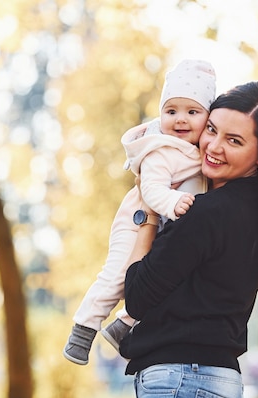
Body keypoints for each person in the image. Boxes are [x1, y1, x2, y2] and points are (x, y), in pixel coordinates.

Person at [119, 81, 258, 398]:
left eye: (234, 140)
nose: (213, 146)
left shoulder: (207, 213)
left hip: (182, 382)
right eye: (211, 129)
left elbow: (136, 295)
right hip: (214, 381)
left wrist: (149, 210)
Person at [63, 60, 217, 365]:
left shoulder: (202, 150)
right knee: (118, 274)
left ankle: (123, 325)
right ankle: (83, 329)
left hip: (165, 223)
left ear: (207, 118)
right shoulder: (161, 149)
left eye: (192, 112)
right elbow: (152, 189)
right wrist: (172, 202)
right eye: (171, 111)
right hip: (137, 219)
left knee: (159, 276)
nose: (180, 120)